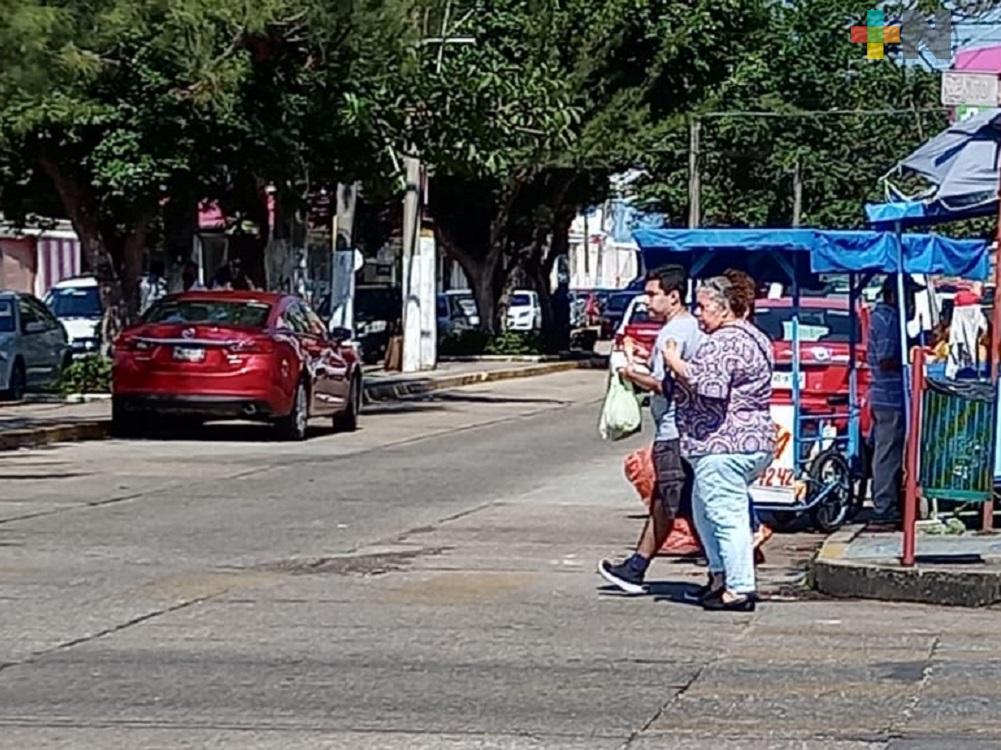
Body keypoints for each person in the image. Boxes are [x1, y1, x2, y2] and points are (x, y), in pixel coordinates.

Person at [662, 275, 774, 612]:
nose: (698, 313)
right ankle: (719, 575)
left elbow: (711, 387)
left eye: (703, 306)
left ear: (724, 309)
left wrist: (675, 362)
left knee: (726, 515)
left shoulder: (724, 340)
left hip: (725, 443)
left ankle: (739, 587)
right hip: (746, 440)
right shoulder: (755, 336)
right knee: (704, 509)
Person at [598, 266, 701, 594]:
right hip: (680, 430)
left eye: (653, 294)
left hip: (675, 431)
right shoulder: (685, 328)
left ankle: (726, 570)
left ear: (674, 296)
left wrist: (629, 373)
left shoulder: (676, 332)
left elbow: (663, 385)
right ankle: (636, 567)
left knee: (672, 501)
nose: (647, 301)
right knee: (674, 500)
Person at [866, 276, 917, 526]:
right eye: (909, 296)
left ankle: (890, 501)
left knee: (891, 451)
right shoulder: (888, 320)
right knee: (887, 453)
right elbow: (886, 360)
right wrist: (911, 363)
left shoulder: (885, 318)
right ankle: (883, 506)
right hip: (889, 396)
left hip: (888, 395)